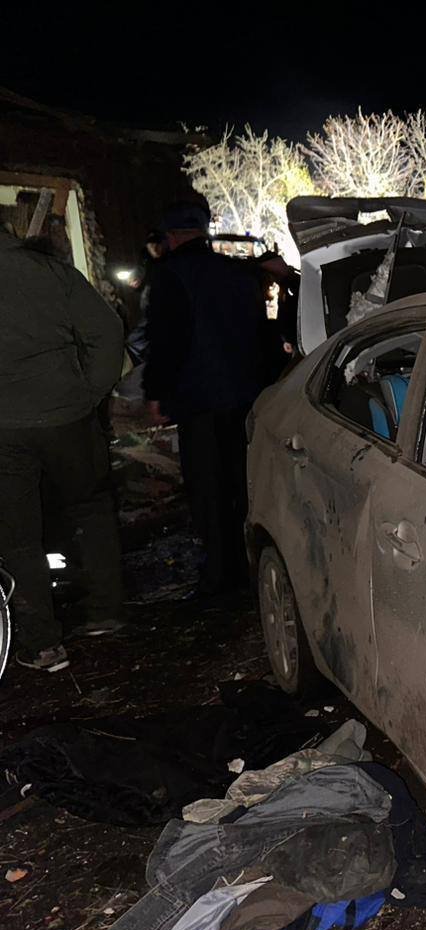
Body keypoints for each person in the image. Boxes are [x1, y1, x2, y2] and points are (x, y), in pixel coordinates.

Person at [0, 226, 126, 672]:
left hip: (4, 429)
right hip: (69, 416)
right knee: (90, 508)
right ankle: (106, 611)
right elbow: (107, 331)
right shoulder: (49, 271)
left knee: (17, 536)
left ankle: (42, 643)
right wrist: (90, 392)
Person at [143, 200, 279, 598]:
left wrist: (156, 393)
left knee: (208, 489)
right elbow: (261, 333)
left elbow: (166, 342)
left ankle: (221, 576)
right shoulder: (238, 273)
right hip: (245, 396)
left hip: (199, 400)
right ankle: (251, 567)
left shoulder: (170, 276)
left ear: (171, 237)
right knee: (241, 482)